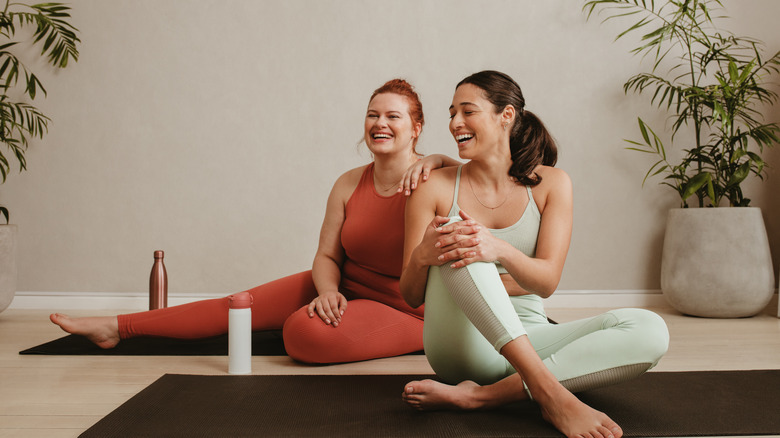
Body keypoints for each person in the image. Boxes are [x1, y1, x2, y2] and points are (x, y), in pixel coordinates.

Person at [50, 78, 460, 364]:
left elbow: (475, 185)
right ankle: (115, 328)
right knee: (237, 306)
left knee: (302, 334)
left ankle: (393, 337)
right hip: (348, 285)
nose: (380, 124)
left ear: (416, 128)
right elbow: (325, 255)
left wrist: (442, 158)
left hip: (408, 309)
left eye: (393, 117)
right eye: (373, 115)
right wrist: (328, 290)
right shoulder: (348, 183)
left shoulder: (434, 178)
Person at [399, 71, 669, 438]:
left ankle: (482, 397)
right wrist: (423, 258)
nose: (454, 123)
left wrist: (500, 250)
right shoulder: (434, 186)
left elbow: (546, 283)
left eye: (467, 111)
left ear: (506, 115)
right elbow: (410, 294)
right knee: (462, 242)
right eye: (451, 114)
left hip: (532, 336)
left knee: (650, 331)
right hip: (461, 345)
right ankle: (550, 393)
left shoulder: (553, 184)